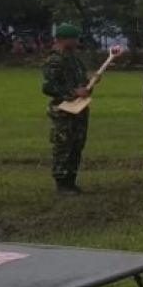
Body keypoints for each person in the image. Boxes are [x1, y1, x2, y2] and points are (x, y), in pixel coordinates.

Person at [41, 22, 91, 195]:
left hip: (79, 108)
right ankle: (62, 182)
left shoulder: (74, 58)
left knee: (76, 144)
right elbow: (48, 87)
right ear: (65, 39)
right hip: (63, 110)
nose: (77, 41)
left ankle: (71, 180)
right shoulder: (55, 59)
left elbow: (80, 81)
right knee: (64, 146)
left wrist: (88, 85)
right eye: (74, 38)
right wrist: (72, 92)